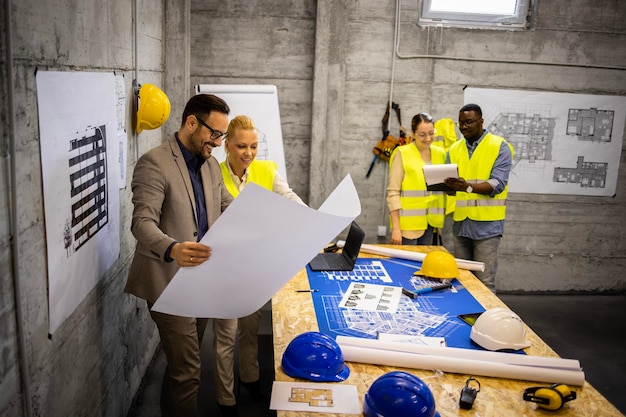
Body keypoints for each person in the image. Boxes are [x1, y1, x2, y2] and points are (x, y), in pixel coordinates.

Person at [125, 94, 232, 417]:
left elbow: (228, 206)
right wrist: (173, 248)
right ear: (191, 123)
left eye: (222, 136)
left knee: (184, 367)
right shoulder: (155, 162)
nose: (218, 142)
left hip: (200, 281)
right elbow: (141, 223)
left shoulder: (211, 165)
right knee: (187, 371)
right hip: (168, 282)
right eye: (215, 133)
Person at [214, 115, 306, 416]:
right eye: (241, 146)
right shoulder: (212, 172)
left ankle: (250, 379)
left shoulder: (267, 170)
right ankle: (225, 399)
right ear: (226, 145)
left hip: (255, 267)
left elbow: (289, 199)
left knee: (251, 330)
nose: (248, 153)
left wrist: (313, 220)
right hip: (225, 268)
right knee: (226, 337)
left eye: (253, 146)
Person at [443, 103, 514, 293]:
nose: (464, 127)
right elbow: (451, 188)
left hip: (487, 226)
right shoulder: (454, 149)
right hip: (461, 224)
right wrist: (444, 186)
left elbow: (497, 184)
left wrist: (466, 187)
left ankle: (486, 322)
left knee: (484, 282)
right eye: (461, 123)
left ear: (481, 121)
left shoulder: (499, 146)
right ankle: (468, 321)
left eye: (469, 122)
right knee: (463, 280)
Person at [386, 112, 447, 245]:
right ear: (413, 134)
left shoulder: (440, 154)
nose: (428, 138)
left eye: (431, 133)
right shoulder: (402, 153)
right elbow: (393, 193)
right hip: (407, 227)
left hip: (431, 223)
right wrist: (396, 229)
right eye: (422, 134)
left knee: (422, 265)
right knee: (405, 265)